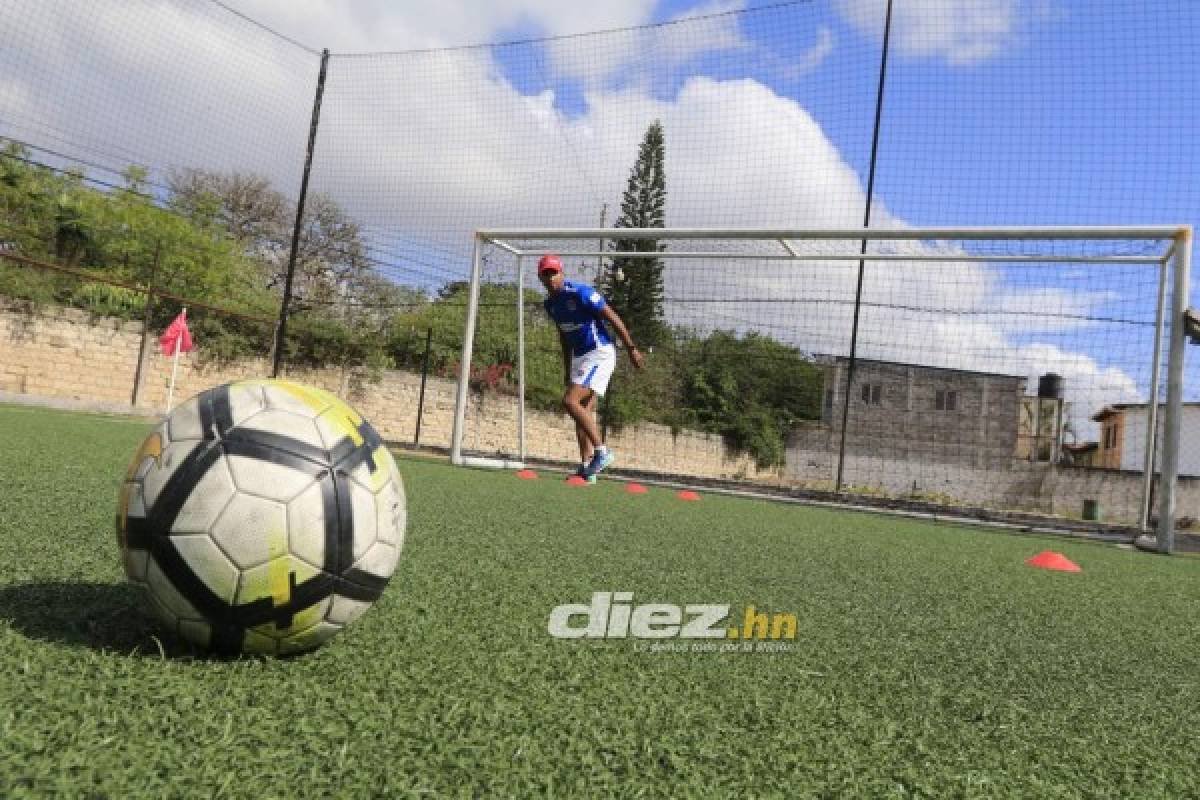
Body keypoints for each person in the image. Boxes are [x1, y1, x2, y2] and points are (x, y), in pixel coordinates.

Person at [537, 253, 645, 482]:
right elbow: (563, 337)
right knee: (581, 409)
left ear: (561, 273)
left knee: (570, 401)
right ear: (540, 278)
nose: (550, 279)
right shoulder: (550, 305)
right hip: (580, 357)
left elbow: (612, 317)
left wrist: (631, 348)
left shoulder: (581, 292)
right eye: (545, 274)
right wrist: (568, 368)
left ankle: (602, 452)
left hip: (599, 353)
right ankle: (587, 468)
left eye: (553, 273)